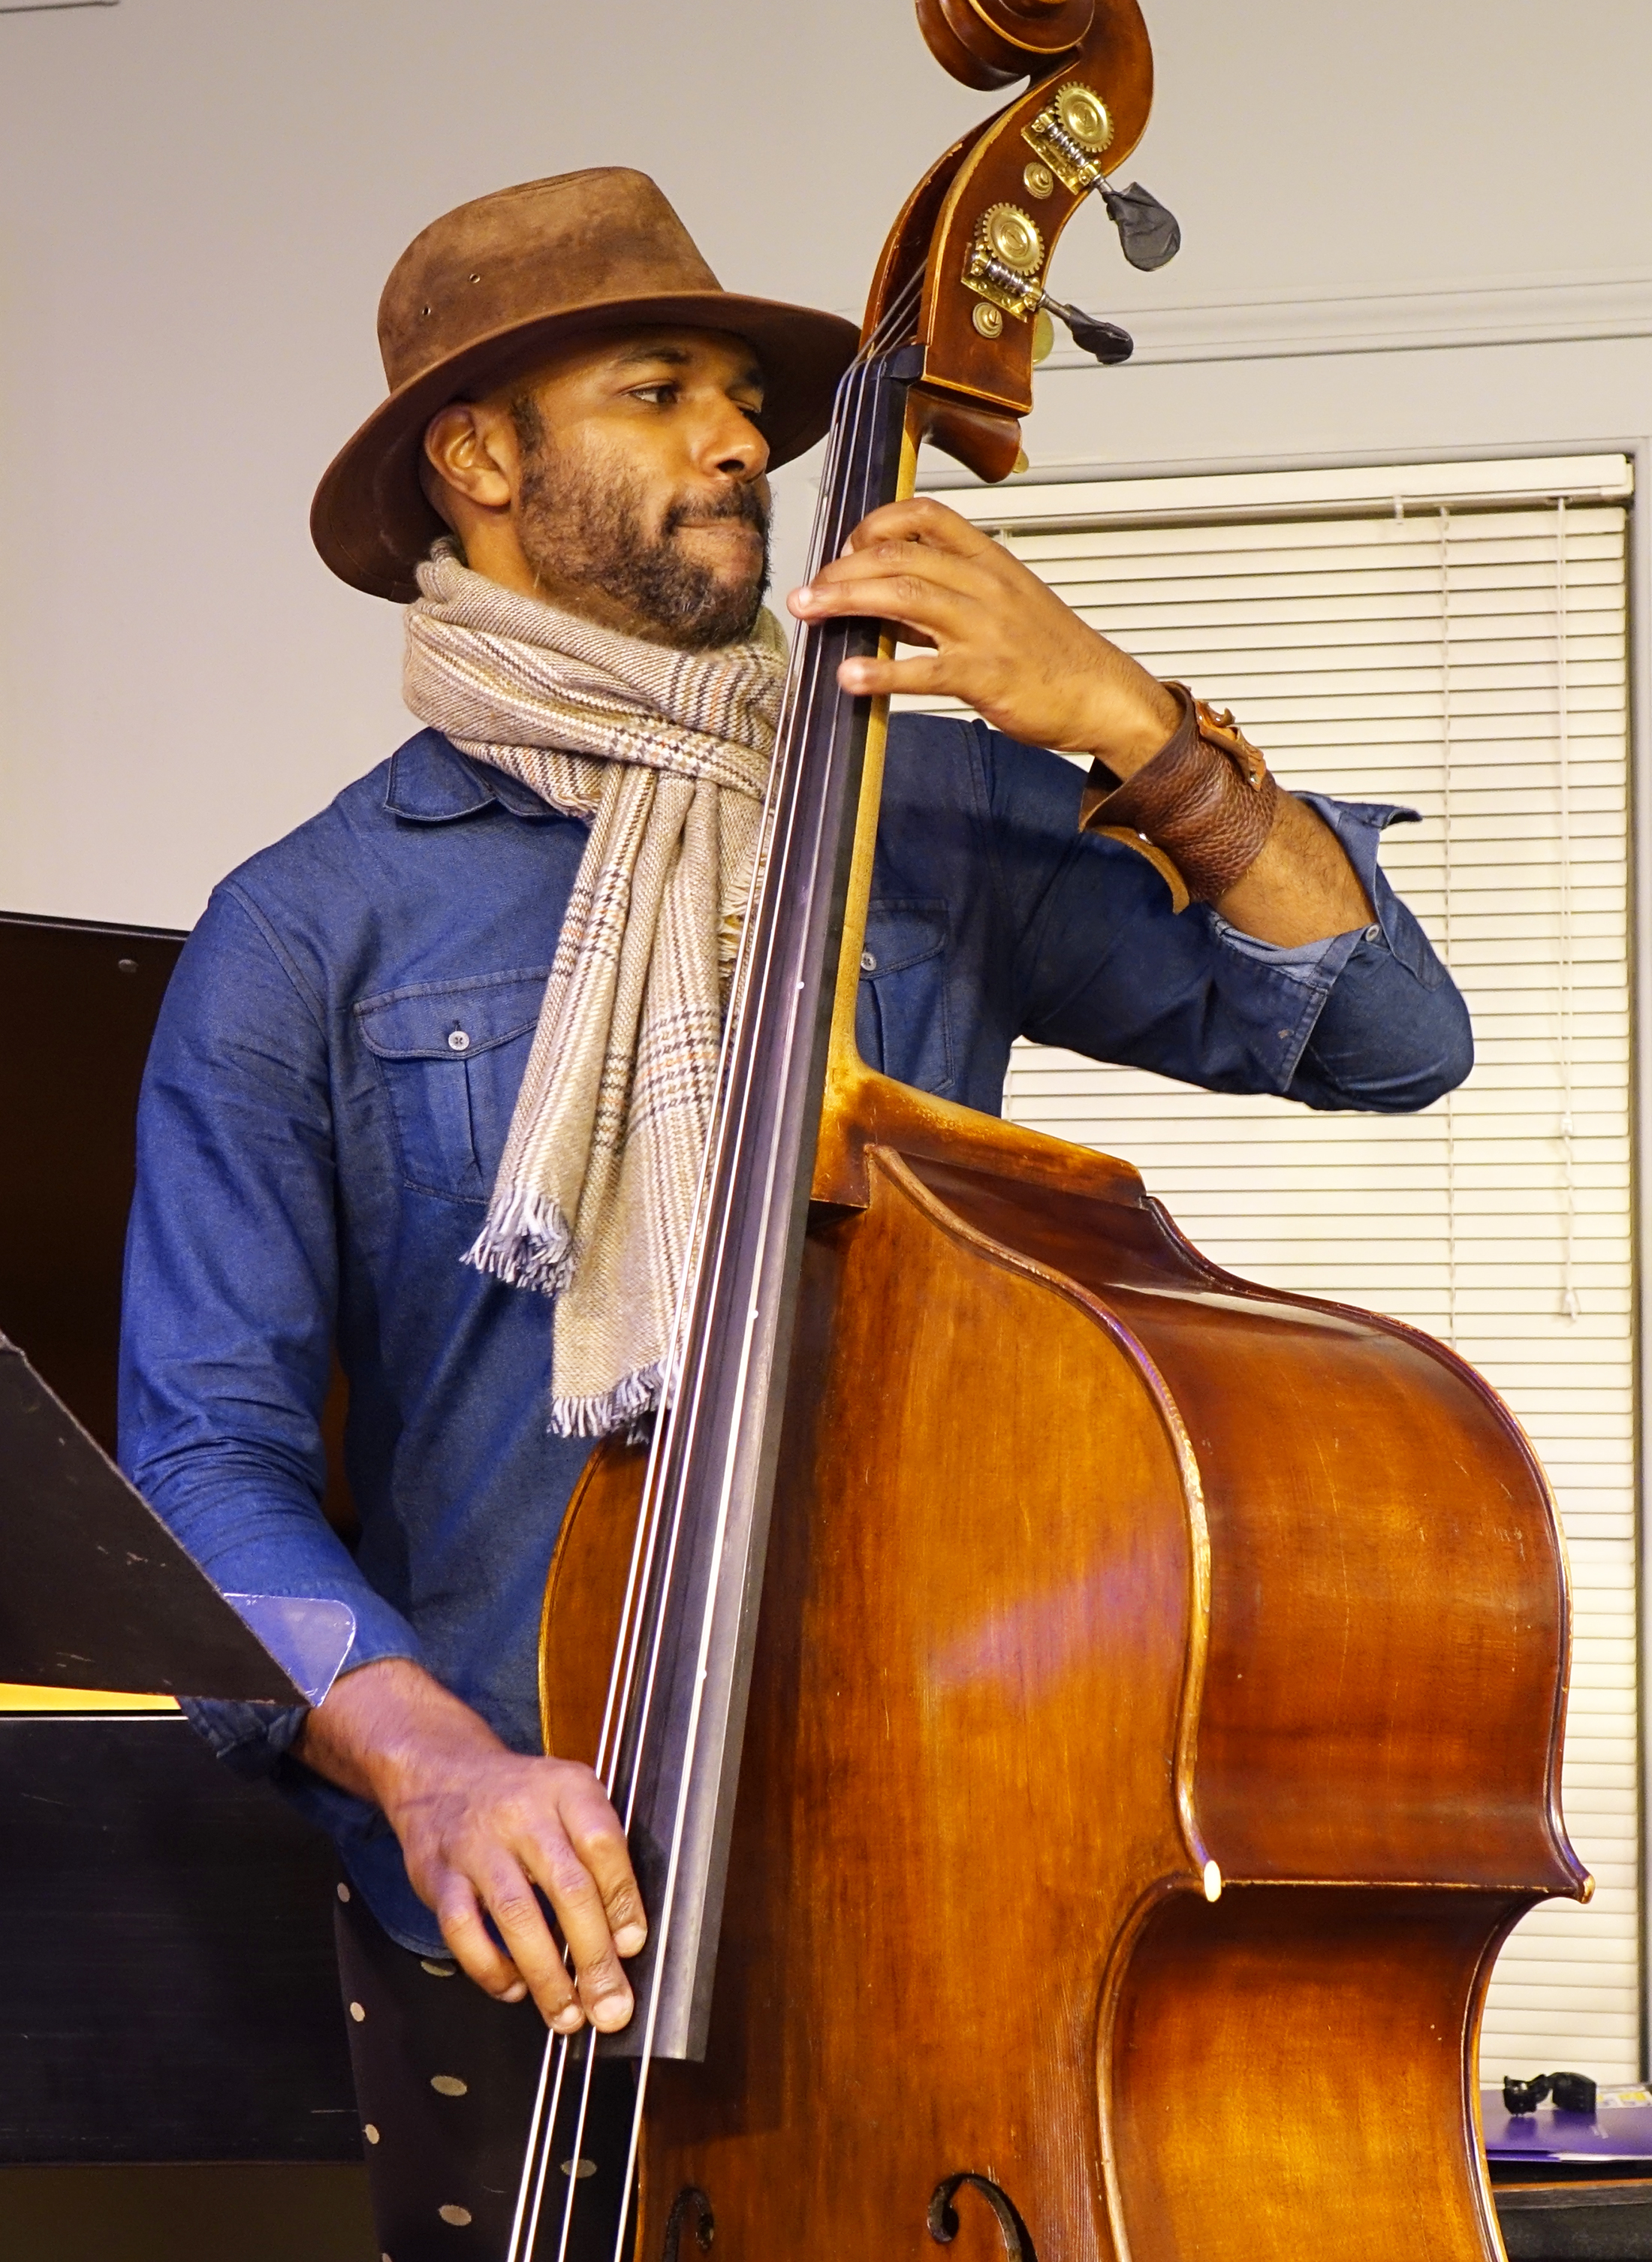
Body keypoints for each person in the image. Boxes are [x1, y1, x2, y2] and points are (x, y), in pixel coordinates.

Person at [119, 167, 1471, 2257]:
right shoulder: (307, 933)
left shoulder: (921, 804)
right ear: (477, 464)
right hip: (517, 1931)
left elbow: (1387, 1032)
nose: (742, 437)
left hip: (944, 1879)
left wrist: (1125, 718)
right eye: (658, 390)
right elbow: (199, 1458)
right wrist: (431, 1765)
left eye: (743, 395)